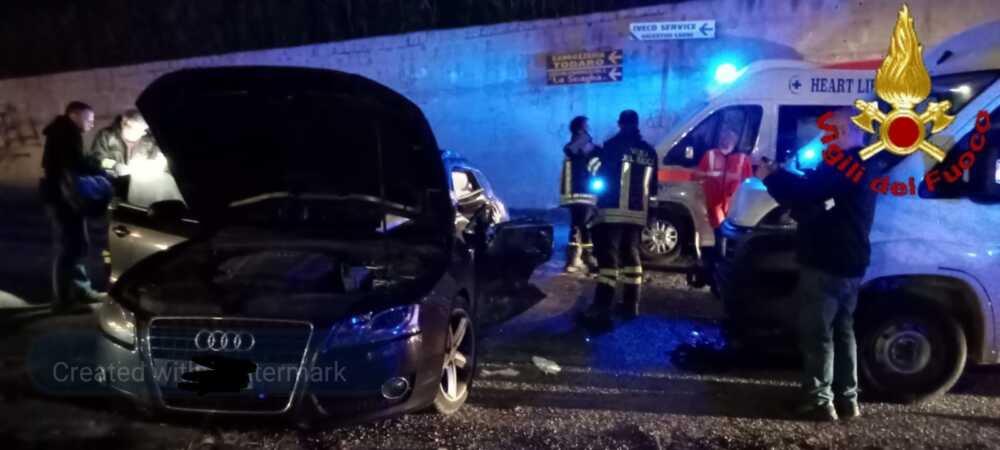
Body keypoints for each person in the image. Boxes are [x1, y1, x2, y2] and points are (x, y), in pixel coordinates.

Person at [756, 109, 879, 421]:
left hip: (827, 260)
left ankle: (818, 401)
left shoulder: (844, 165)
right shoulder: (862, 165)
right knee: (843, 331)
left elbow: (805, 194)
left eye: (833, 131)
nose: (828, 137)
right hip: (850, 261)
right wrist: (786, 179)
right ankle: (848, 399)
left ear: (850, 132)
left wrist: (770, 176)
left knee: (817, 333)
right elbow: (815, 192)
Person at [579, 110, 658, 329]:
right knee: (632, 258)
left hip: (611, 212)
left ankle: (602, 307)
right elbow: (653, 188)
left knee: (608, 262)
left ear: (620, 123)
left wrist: (591, 154)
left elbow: (594, 171)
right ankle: (631, 305)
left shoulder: (612, 146)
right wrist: (650, 214)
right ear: (637, 124)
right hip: (637, 215)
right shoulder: (649, 152)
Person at [40, 101, 104, 313]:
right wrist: (98, 167)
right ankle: (63, 301)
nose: (92, 123)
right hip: (63, 198)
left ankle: (81, 290)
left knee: (78, 245)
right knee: (69, 248)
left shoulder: (65, 132)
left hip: (65, 196)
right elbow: (74, 165)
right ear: (74, 115)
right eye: (89, 119)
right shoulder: (66, 134)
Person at [559, 116, 599, 273]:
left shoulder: (573, 148)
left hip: (572, 195)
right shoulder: (585, 145)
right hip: (585, 194)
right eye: (586, 126)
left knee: (576, 226)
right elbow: (594, 168)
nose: (589, 128)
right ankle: (588, 259)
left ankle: (572, 260)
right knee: (586, 227)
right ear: (581, 128)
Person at [696, 129, 753, 229]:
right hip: (711, 208)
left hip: (733, 209)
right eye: (724, 137)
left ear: (735, 141)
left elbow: (748, 185)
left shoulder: (743, 159)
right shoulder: (710, 155)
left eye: (730, 138)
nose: (726, 140)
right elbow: (698, 178)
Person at [89, 109, 156, 178]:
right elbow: (97, 159)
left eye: (140, 130)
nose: (135, 133)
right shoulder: (106, 136)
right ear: (123, 123)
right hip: (111, 180)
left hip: (139, 180)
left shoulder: (148, 141)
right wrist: (114, 165)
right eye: (132, 128)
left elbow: (155, 160)